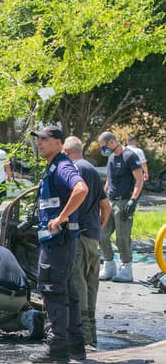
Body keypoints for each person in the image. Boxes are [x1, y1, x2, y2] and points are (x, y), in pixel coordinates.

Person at [29, 125, 88, 363]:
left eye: (44, 139)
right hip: (59, 242)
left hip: (58, 242)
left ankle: (56, 347)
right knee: (67, 292)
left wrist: (61, 217)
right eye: (38, 139)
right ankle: (76, 346)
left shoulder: (62, 166)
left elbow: (81, 189)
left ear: (58, 142)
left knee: (53, 291)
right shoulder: (53, 167)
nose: (39, 143)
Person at [63, 136, 111, 348]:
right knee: (92, 285)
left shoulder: (73, 170)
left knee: (78, 284)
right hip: (92, 236)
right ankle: (93, 337)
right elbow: (106, 206)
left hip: (79, 234)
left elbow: (76, 196)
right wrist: (99, 227)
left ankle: (83, 337)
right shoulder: (91, 169)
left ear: (65, 151)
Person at [98, 132, 145, 283]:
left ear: (111, 142)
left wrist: (133, 200)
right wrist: (102, 198)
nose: (102, 150)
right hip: (110, 201)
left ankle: (126, 267)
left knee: (122, 237)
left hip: (124, 201)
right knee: (102, 235)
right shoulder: (111, 158)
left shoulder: (129, 156)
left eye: (104, 147)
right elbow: (109, 181)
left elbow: (139, 180)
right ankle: (109, 264)